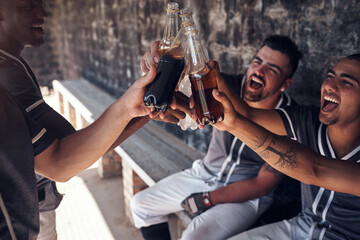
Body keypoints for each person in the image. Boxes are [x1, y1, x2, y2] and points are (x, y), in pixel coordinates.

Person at [0, 0, 184, 239]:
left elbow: (80, 147)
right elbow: (65, 159)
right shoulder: (7, 72)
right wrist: (132, 106)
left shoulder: (13, 63)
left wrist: (146, 107)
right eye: (28, 6)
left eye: (41, 4)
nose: (42, 12)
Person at [131, 35, 302, 240]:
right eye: (258, 62)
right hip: (204, 173)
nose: (259, 71)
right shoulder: (223, 85)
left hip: (246, 196)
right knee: (141, 204)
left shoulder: (291, 119)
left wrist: (207, 199)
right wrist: (158, 68)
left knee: (194, 237)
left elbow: (261, 185)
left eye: (272, 69)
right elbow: (181, 91)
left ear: (286, 84)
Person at [0, 54, 159, 239]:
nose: (41, 22)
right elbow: (67, 153)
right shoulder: (7, 72)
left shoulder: (10, 66)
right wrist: (131, 108)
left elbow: (73, 153)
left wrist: (145, 111)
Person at [206, 54, 360, 239]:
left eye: (346, 82)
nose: (329, 85)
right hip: (302, 226)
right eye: (330, 76)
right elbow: (249, 115)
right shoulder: (308, 120)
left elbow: (315, 169)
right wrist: (216, 81)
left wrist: (234, 125)